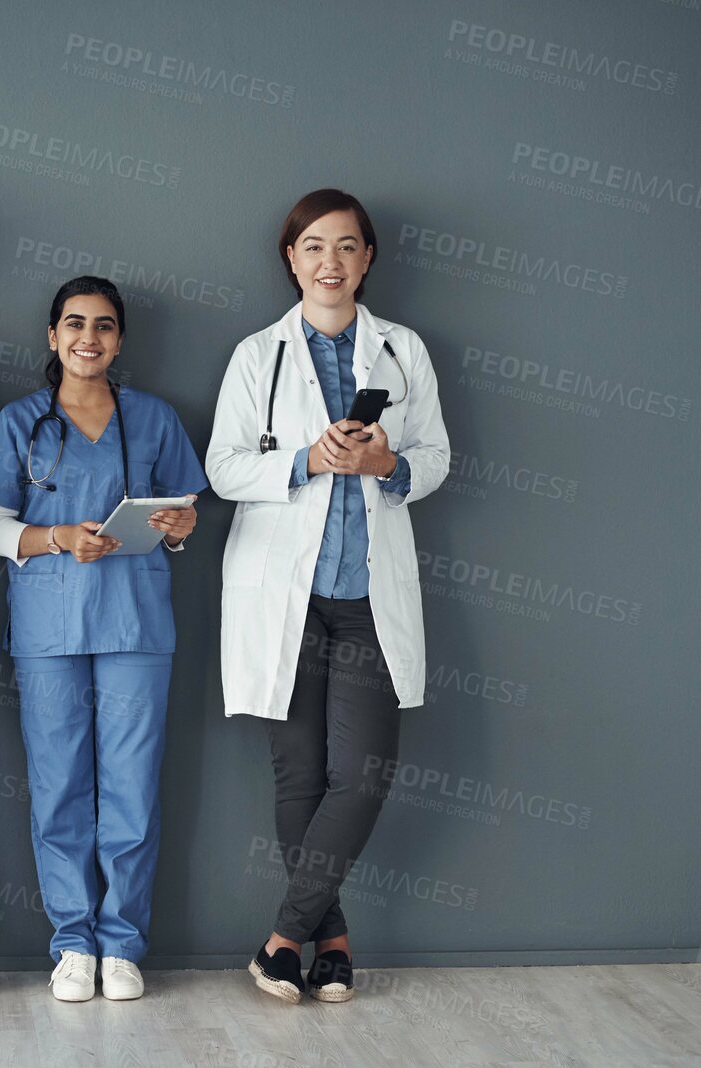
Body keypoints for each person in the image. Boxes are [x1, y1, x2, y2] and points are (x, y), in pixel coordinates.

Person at [207, 189, 450, 1006]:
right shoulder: (258, 354)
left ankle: (281, 941)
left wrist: (387, 466)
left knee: (362, 772)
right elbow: (223, 468)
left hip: (367, 597)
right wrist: (309, 459)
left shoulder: (404, 350)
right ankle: (334, 943)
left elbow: (438, 457)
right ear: (291, 258)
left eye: (347, 247)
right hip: (285, 594)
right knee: (300, 777)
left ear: (367, 259)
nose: (330, 262)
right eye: (314, 246)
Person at [0, 276, 207, 1002]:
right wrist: (56, 538)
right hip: (50, 626)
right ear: (52, 335)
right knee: (60, 788)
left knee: (132, 788)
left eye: (104, 326)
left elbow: (183, 511)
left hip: (136, 624)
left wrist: (180, 528)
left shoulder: (154, 419)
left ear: (120, 340)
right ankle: (73, 940)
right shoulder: (20, 423)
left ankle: (123, 942)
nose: (88, 337)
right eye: (74, 324)